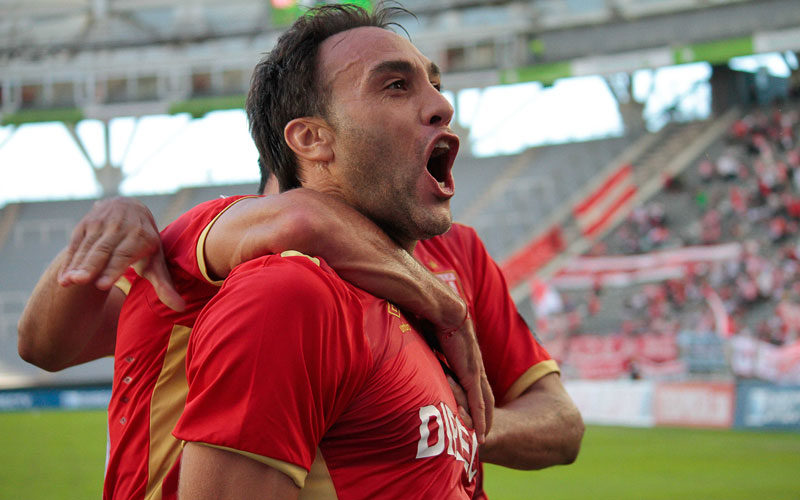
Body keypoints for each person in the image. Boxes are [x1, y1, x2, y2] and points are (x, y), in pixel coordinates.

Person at [18, 4, 582, 499]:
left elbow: (561, 423)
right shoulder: (227, 257)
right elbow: (43, 345)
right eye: (395, 85)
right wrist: (93, 236)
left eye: (434, 83)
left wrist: (461, 423)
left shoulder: (454, 252)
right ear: (309, 141)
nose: (442, 105)